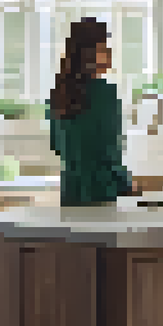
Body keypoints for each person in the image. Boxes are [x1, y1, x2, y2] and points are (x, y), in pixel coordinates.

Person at [47, 17, 134, 207]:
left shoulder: (57, 95)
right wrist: (129, 185)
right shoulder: (105, 93)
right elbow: (109, 153)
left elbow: (57, 146)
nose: (110, 53)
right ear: (87, 54)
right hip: (101, 192)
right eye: (103, 48)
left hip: (71, 193)